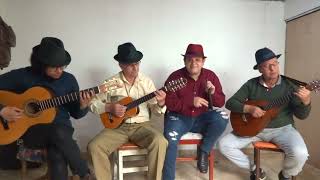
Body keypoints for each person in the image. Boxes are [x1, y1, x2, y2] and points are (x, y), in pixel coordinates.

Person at [0, 37, 94, 180]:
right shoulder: (23, 76)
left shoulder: (69, 80)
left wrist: (83, 106)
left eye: (63, 66)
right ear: (41, 64)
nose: (60, 70)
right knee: (58, 134)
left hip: (62, 130)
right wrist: (2, 110)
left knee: (57, 154)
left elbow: (76, 114)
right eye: (54, 66)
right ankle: (84, 174)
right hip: (32, 132)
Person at [218, 47, 311, 180]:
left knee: (301, 153)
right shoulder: (251, 84)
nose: (272, 69)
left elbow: (302, 115)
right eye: (266, 66)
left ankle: (285, 175)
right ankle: (255, 169)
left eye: (274, 64)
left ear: (278, 64)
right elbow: (230, 103)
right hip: (254, 130)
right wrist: (249, 109)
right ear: (260, 69)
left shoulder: (290, 86)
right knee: (224, 144)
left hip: (282, 129)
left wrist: (306, 102)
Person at [88, 42, 168, 180]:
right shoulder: (111, 82)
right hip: (117, 128)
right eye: (130, 64)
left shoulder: (146, 82)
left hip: (142, 126)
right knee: (94, 146)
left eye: (137, 63)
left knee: (160, 141)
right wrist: (109, 107)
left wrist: (161, 103)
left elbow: (155, 111)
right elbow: (92, 103)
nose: (135, 67)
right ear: (121, 65)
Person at [162, 44, 228, 180]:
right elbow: (167, 102)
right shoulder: (175, 76)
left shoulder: (210, 76)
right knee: (170, 140)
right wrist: (190, 101)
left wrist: (213, 93)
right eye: (190, 59)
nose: (194, 63)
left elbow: (220, 103)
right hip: (178, 118)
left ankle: (204, 151)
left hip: (201, 118)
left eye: (197, 59)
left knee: (223, 116)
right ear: (184, 61)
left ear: (203, 61)